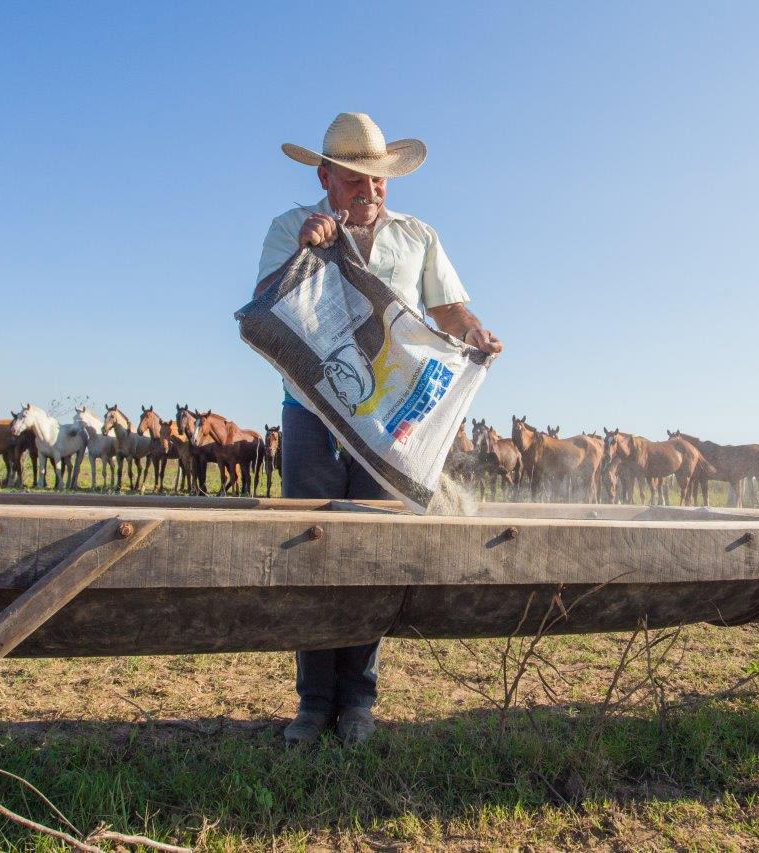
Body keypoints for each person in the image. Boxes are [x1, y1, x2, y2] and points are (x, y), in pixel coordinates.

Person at [255, 112, 503, 744]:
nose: (369, 194)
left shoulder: (416, 236)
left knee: (368, 552)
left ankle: (358, 702)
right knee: (315, 548)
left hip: (387, 422)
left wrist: (471, 332)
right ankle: (313, 704)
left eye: (378, 183)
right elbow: (268, 306)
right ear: (325, 176)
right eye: (355, 182)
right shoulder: (291, 228)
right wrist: (308, 252)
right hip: (313, 413)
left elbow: (445, 307)